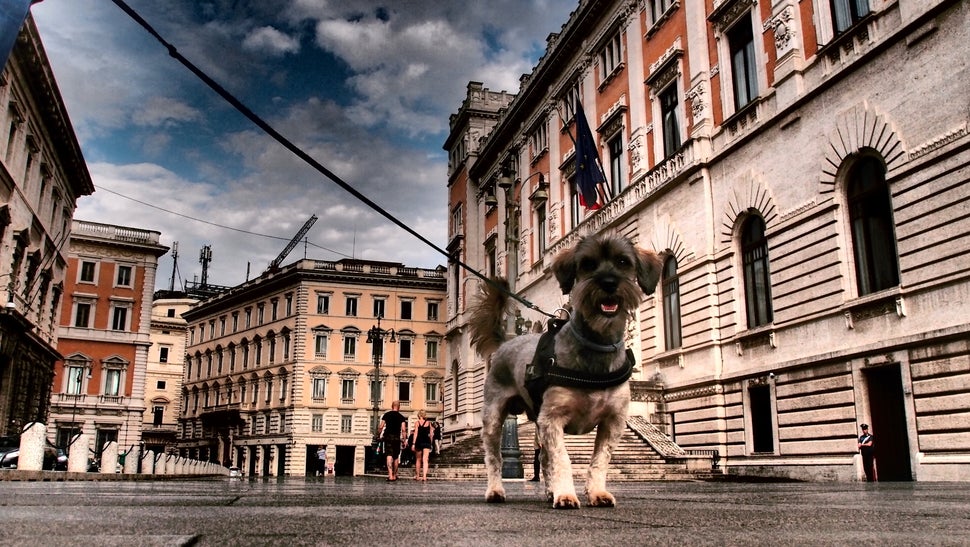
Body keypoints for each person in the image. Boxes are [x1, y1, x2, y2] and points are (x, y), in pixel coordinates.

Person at [379, 401, 408, 481]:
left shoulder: (387, 415)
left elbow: (381, 426)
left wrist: (378, 434)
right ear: (399, 407)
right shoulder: (401, 417)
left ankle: (390, 475)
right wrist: (404, 440)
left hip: (388, 437)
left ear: (392, 406)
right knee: (395, 457)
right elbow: (403, 429)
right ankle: (395, 475)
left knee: (389, 455)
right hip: (396, 438)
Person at [409, 409, 435, 481]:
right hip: (426, 442)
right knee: (425, 459)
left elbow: (416, 434)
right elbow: (431, 434)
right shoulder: (429, 423)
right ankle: (424, 476)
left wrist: (413, 443)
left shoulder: (417, 423)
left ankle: (417, 476)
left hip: (419, 442)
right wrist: (431, 443)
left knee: (418, 459)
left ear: (419, 415)